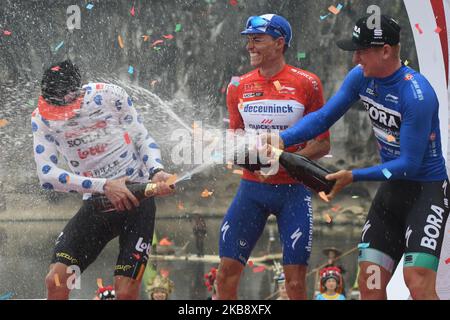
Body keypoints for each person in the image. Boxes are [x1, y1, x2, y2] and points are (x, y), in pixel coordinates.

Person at [264, 15, 450, 300]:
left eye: (361, 51)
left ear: (385, 51)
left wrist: (354, 176)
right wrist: (282, 139)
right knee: (370, 283)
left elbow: (409, 165)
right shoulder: (361, 77)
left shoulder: (417, 95)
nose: (355, 60)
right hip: (391, 192)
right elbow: (325, 117)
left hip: (426, 191)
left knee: (418, 283)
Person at [32, 60, 175, 300]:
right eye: (51, 106)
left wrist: (156, 171)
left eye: (61, 107)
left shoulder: (109, 95)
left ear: (75, 94)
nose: (58, 115)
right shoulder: (41, 118)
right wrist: (105, 186)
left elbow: (142, 138)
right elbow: (46, 175)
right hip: (97, 203)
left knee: (125, 291)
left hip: (137, 199)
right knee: (55, 281)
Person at [216, 14, 331, 300]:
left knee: (294, 284)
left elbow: (323, 145)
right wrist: (247, 160)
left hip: (293, 191)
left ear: (279, 43)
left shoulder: (308, 83)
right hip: (251, 189)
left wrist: (283, 161)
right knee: (226, 273)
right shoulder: (237, 86)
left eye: (257, 40)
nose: (249, 47)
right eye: (248, 40)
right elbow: (234, 140)